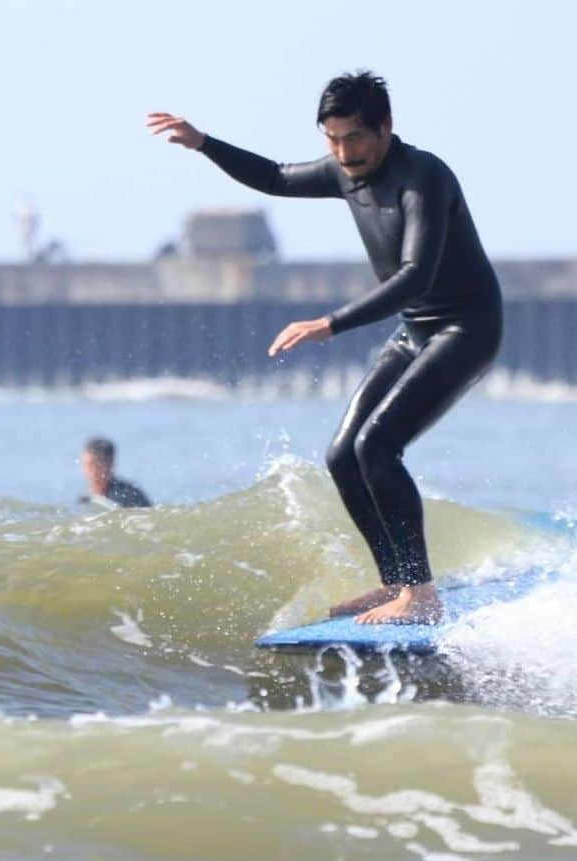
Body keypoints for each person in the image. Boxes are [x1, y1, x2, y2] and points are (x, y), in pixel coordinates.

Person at [147, 71, 503, 625]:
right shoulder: (345, 171)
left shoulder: (423, 177)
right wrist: (204, 144)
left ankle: (421, 593)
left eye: (355, 138)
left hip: (466, 328)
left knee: (379, 446)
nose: (344, 152)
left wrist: (330, 323)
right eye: (332, 140)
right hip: (416, 329)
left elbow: (414, 275)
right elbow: (273, 177)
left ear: (386, 127)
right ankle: (395, 585)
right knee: (343, 456)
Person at [79, 437, 152, 509]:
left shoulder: (128, 495)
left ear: (109, 464)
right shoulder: (85, 498)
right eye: (84, 464)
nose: (86, 470)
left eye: (91, 464)